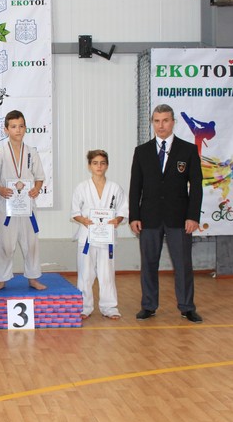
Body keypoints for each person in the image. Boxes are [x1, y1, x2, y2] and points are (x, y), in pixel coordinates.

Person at [129, 104, 203, 323]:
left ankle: (187, 307)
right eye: (157, 121)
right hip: (149, 217)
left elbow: (196, 187)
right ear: (153, 123)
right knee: (149, 264)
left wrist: (193, 216)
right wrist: (134, 216)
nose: (161, 125)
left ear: (173, 122)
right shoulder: (141, 151)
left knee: (183, 265)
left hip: (179, 218)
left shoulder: (188, 150)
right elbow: (135, 187)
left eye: (165, 120)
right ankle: (148, 305)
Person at [0, 110, 47, 292]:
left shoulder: (31, 152)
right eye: (13, 126)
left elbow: (39, 177)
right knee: (6, 245)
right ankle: (2, 279)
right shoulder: (0, 154)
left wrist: (36, 188)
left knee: (31, 243)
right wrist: (0, 189)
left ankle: (33, 278)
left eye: (21, 126)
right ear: (6, 130)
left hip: (27, 206)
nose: (18, 130)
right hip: (7, 206)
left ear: (25, 128)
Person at [71, 150, 128, 320]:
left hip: (106, 237)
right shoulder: (81, 187)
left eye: (102, 163)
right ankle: (84, 307)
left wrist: (117, 220)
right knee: (85, 274)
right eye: (95, 163)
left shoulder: (115, 188)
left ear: (107, 165)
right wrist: (83, 220)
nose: (99, 166)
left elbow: (123, 210)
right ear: (89, 166)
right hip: (87, 237)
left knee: (106, 274)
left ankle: (109, 307)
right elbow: (74, 212)